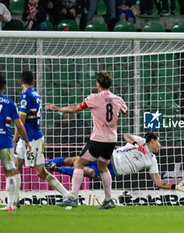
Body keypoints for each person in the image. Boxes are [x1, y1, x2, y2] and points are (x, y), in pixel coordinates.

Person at [46, 71, 129, 209]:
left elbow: (75, 109)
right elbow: (125, 111)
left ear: (98, 84)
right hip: (112, 139)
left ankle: (73, 197)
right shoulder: (117, 99)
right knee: (102, 167)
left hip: (98, 138)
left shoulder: (94, 98)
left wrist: (57, 108)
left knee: (79, 162)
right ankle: (108, 200)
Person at [45, 133, 184, 193]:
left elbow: (158, 183)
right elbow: (126, 135)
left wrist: (175, 186)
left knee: (88, 172)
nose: (160, 146)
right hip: (109, 157)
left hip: (112, 171)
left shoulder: (152, 161)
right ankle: (48, 163)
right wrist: (136, 144)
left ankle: (55, 168)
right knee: (76, 160)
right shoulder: (141, 141)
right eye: (158, 142)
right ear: (152, 141)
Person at [13, 71, 70, 204]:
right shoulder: (36, 94)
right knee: (16, 167)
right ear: (33, 82)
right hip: (26, 137)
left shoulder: (26, 96)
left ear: (21, 82)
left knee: (40, 172)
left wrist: (13, 140)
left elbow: (20, 122)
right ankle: (14, 202)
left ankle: (67, 195)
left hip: (32, 139)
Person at [0, 74, 31, 212]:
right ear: (4, 87)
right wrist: (26, 141)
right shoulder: (10, 103)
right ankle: (11, 204)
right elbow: (19, 125)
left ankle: (11, 204)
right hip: (5, 141)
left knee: (10, 172)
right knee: (10, 172)